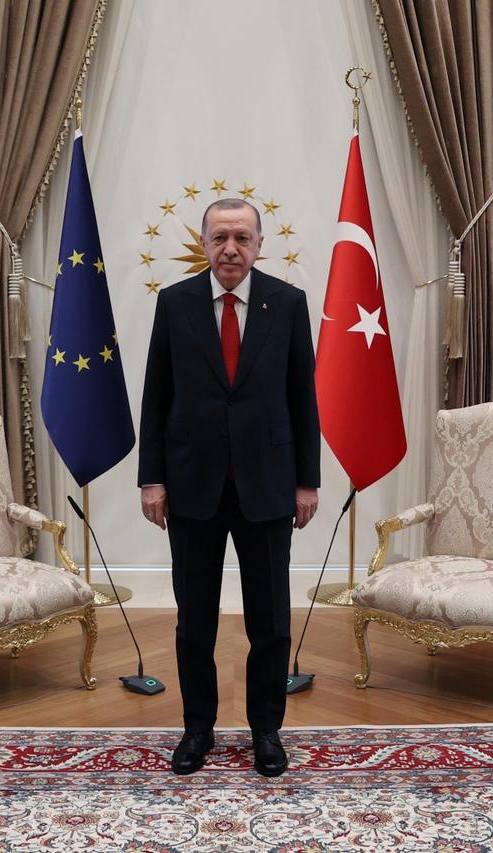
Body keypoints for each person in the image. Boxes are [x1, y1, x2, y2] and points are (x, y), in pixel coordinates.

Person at [139, 198, 320, 777]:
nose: (231, 249)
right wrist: (152, 477)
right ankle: (198, 730)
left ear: (259, 244)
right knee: (195, 621)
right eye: (220, 238)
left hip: (267, 487)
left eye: (242, 237)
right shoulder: (175, 304)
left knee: (270, 621)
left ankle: (267, 731)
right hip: (192, 488)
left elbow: (302, 401)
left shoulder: (287, 304)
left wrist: (307, 482)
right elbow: (156, 398)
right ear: (205, 243)